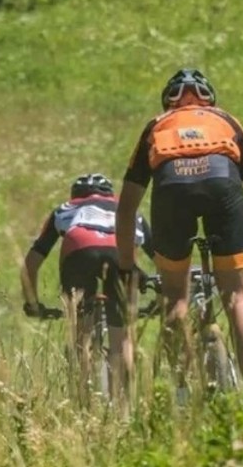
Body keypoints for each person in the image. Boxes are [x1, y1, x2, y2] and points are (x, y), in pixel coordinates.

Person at [114, 68, 243, 413]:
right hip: (223, 183)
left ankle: (183, 399)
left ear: (169, 101)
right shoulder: (225, 120)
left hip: (172, 187)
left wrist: (127, 267)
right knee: (236, 297)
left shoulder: (158, 124)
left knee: (175, 298)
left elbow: (126, 207)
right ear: (208, 99)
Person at [21, 173, 153, 404]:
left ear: (75, 196)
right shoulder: (130, 210)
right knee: (121, 339)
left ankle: (83, 404)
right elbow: (165, 261)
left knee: (82, 334)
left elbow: (30, 264)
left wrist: (33, 304)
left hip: (78, 254)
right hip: (119, 255)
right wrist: (163, 298)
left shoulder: (65, 208)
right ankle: (124, 408)